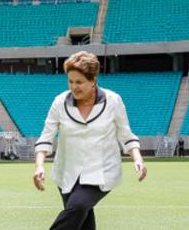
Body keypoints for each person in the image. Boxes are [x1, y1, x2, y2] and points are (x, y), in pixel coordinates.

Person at [33, 51, 147, 230]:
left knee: (78, 207)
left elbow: (126, 135)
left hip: (101, 171)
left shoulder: (113, 101)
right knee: (83, 222)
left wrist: (137, 159)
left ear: (93, 79)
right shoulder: (59, 103)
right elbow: (46, 137)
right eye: (70, 81)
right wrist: (39, 166)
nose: (74, 87)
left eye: (79, 82)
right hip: (67, 173)